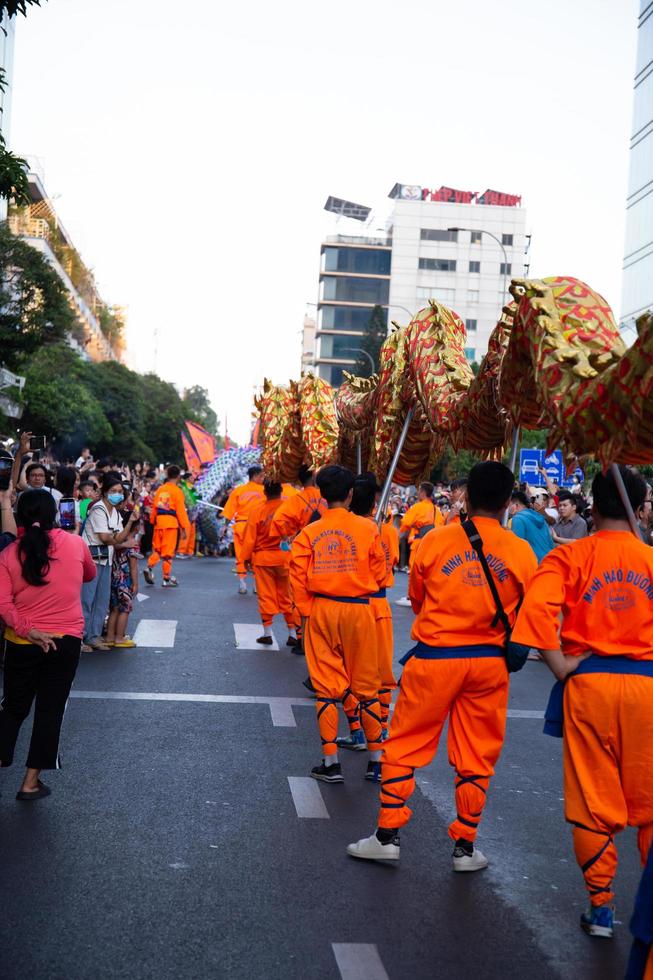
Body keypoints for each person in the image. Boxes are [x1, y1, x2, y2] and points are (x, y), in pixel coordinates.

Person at [347, 461, 537, 865]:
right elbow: (527, 612)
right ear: (508, 502)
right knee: (477, 753)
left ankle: (387, 836)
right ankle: (465, 846)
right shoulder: (520, 552)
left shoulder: (434, 541)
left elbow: (417, 598)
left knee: (405, 744)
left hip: (435, 657)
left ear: (465, 496)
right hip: (488, 664)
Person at [510, 467, 653, 940]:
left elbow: (535, 612)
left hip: (588, 683)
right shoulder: (651, 560)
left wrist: (558, 665)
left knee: (593, 800)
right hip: (648, 687)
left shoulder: (570, 556)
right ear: (640, 508)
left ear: (593, 505)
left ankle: (602, 906)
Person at [290, 464, 387, 784]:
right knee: (367, 686)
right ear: (350, 495)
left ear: (321, 494)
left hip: (321, 610)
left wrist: (306, 613)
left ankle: (331, 762)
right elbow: (382, 574)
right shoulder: (368, 528)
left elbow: (298, 578)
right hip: (359, 609)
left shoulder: (308, 533)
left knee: (326, 689)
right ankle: (376, 761)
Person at [0, 490, 96, 799]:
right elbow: (89, 574)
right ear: (56, 513)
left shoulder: (8, 554)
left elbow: (3, 604)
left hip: (21, 641)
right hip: (65, 640)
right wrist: (73, 540)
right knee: (50, 710)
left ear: (20, 517)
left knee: (13, 707)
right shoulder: (76, 544)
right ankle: (30, 782)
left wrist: (30, 630)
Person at [341, 476, 399, 748]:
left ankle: (357, 731)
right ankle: (382, 730)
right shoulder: (387, 530)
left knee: (350, 673)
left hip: (357, 606)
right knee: (380, 671)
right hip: (381, 606)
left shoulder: (351, 529)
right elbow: (393, 560)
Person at [82, 471, 139, 651]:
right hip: (92, 559)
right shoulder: (98, 509)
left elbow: (119, 536)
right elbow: (107, 538)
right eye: (114, 490)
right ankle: (80, 638)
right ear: (105, 492)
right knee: (87, 599)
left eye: (120, 491)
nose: (118, 494)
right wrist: (119, 540)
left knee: (102, 600)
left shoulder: (114, 512)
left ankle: (94, 636)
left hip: (106, 559)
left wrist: (129, 524)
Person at [240, 480, 299, 647]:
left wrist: (245, 558)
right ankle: (292, 633)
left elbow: (250, 537)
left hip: (263, 559)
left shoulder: (258, 510)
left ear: (265, 492)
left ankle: (267, 632)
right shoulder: (288, 509)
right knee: (287, 596)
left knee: (265, 596)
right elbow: (295, 531)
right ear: (281, 491)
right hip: (284, 557)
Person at [396, 481, 445, 606]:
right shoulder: (436, 510)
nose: (418, 493)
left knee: (414, 570)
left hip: (418, 541)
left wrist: (401, 532)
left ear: (423, 492)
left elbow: (406, 522)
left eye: (419, 491)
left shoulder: (418, 507)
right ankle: (423, 595)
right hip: (431, 543)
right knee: (427, 571)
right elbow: (440, 526)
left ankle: (411, 596)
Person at [143, 464, 190, 588]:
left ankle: (149, 567)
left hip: (159, 522)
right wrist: (184, 528)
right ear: (178, 476)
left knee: (157, 550)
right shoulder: (177, 491)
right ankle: (166, 579)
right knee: (168, 553)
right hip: (171, 524)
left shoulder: (160, 489)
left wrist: (153, 521)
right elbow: (180, 511)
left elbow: (155, 507)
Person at [221, 465, 266, 594]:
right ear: (256, 476)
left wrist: (225, 526)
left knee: (241, 555)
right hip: (257, 527)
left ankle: (242, 584)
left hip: (241, 526)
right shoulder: (265, 491)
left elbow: (229, 510)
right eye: (262, 476)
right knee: (256, 556)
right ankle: (256, 585)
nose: (263, 478)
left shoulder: (239, 490)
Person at [270, 464, 325, 541]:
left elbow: (277, 519)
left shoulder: (295, 500)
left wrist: (287, 539)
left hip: (305, 542)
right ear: (313, 476)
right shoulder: (326, 494)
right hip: (325, 539)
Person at [509, 490, 553, 563]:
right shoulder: (541, 518)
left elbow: (517, 549)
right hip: (548, 564)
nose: (508, 509)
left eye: (509, 505)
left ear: (516, 505)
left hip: (533, 566)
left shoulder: (518, 519)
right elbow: (551, 544)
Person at [177, 472, 199, 559]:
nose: (193, 479)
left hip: (193, 513)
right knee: (186, 531)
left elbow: (198, 498)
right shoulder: (182, 487)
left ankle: (189, 551)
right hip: (186, 513)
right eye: (191, 478)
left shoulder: (193, 488)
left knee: (192, 533)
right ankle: (181, 551)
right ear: (187, 479)